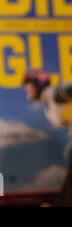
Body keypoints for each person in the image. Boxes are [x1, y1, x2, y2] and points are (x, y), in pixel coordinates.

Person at [23, 70, 72, 206]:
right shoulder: (48, 101)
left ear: (39, 84)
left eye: (29, 86)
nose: (27, 90)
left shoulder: (54, 94)